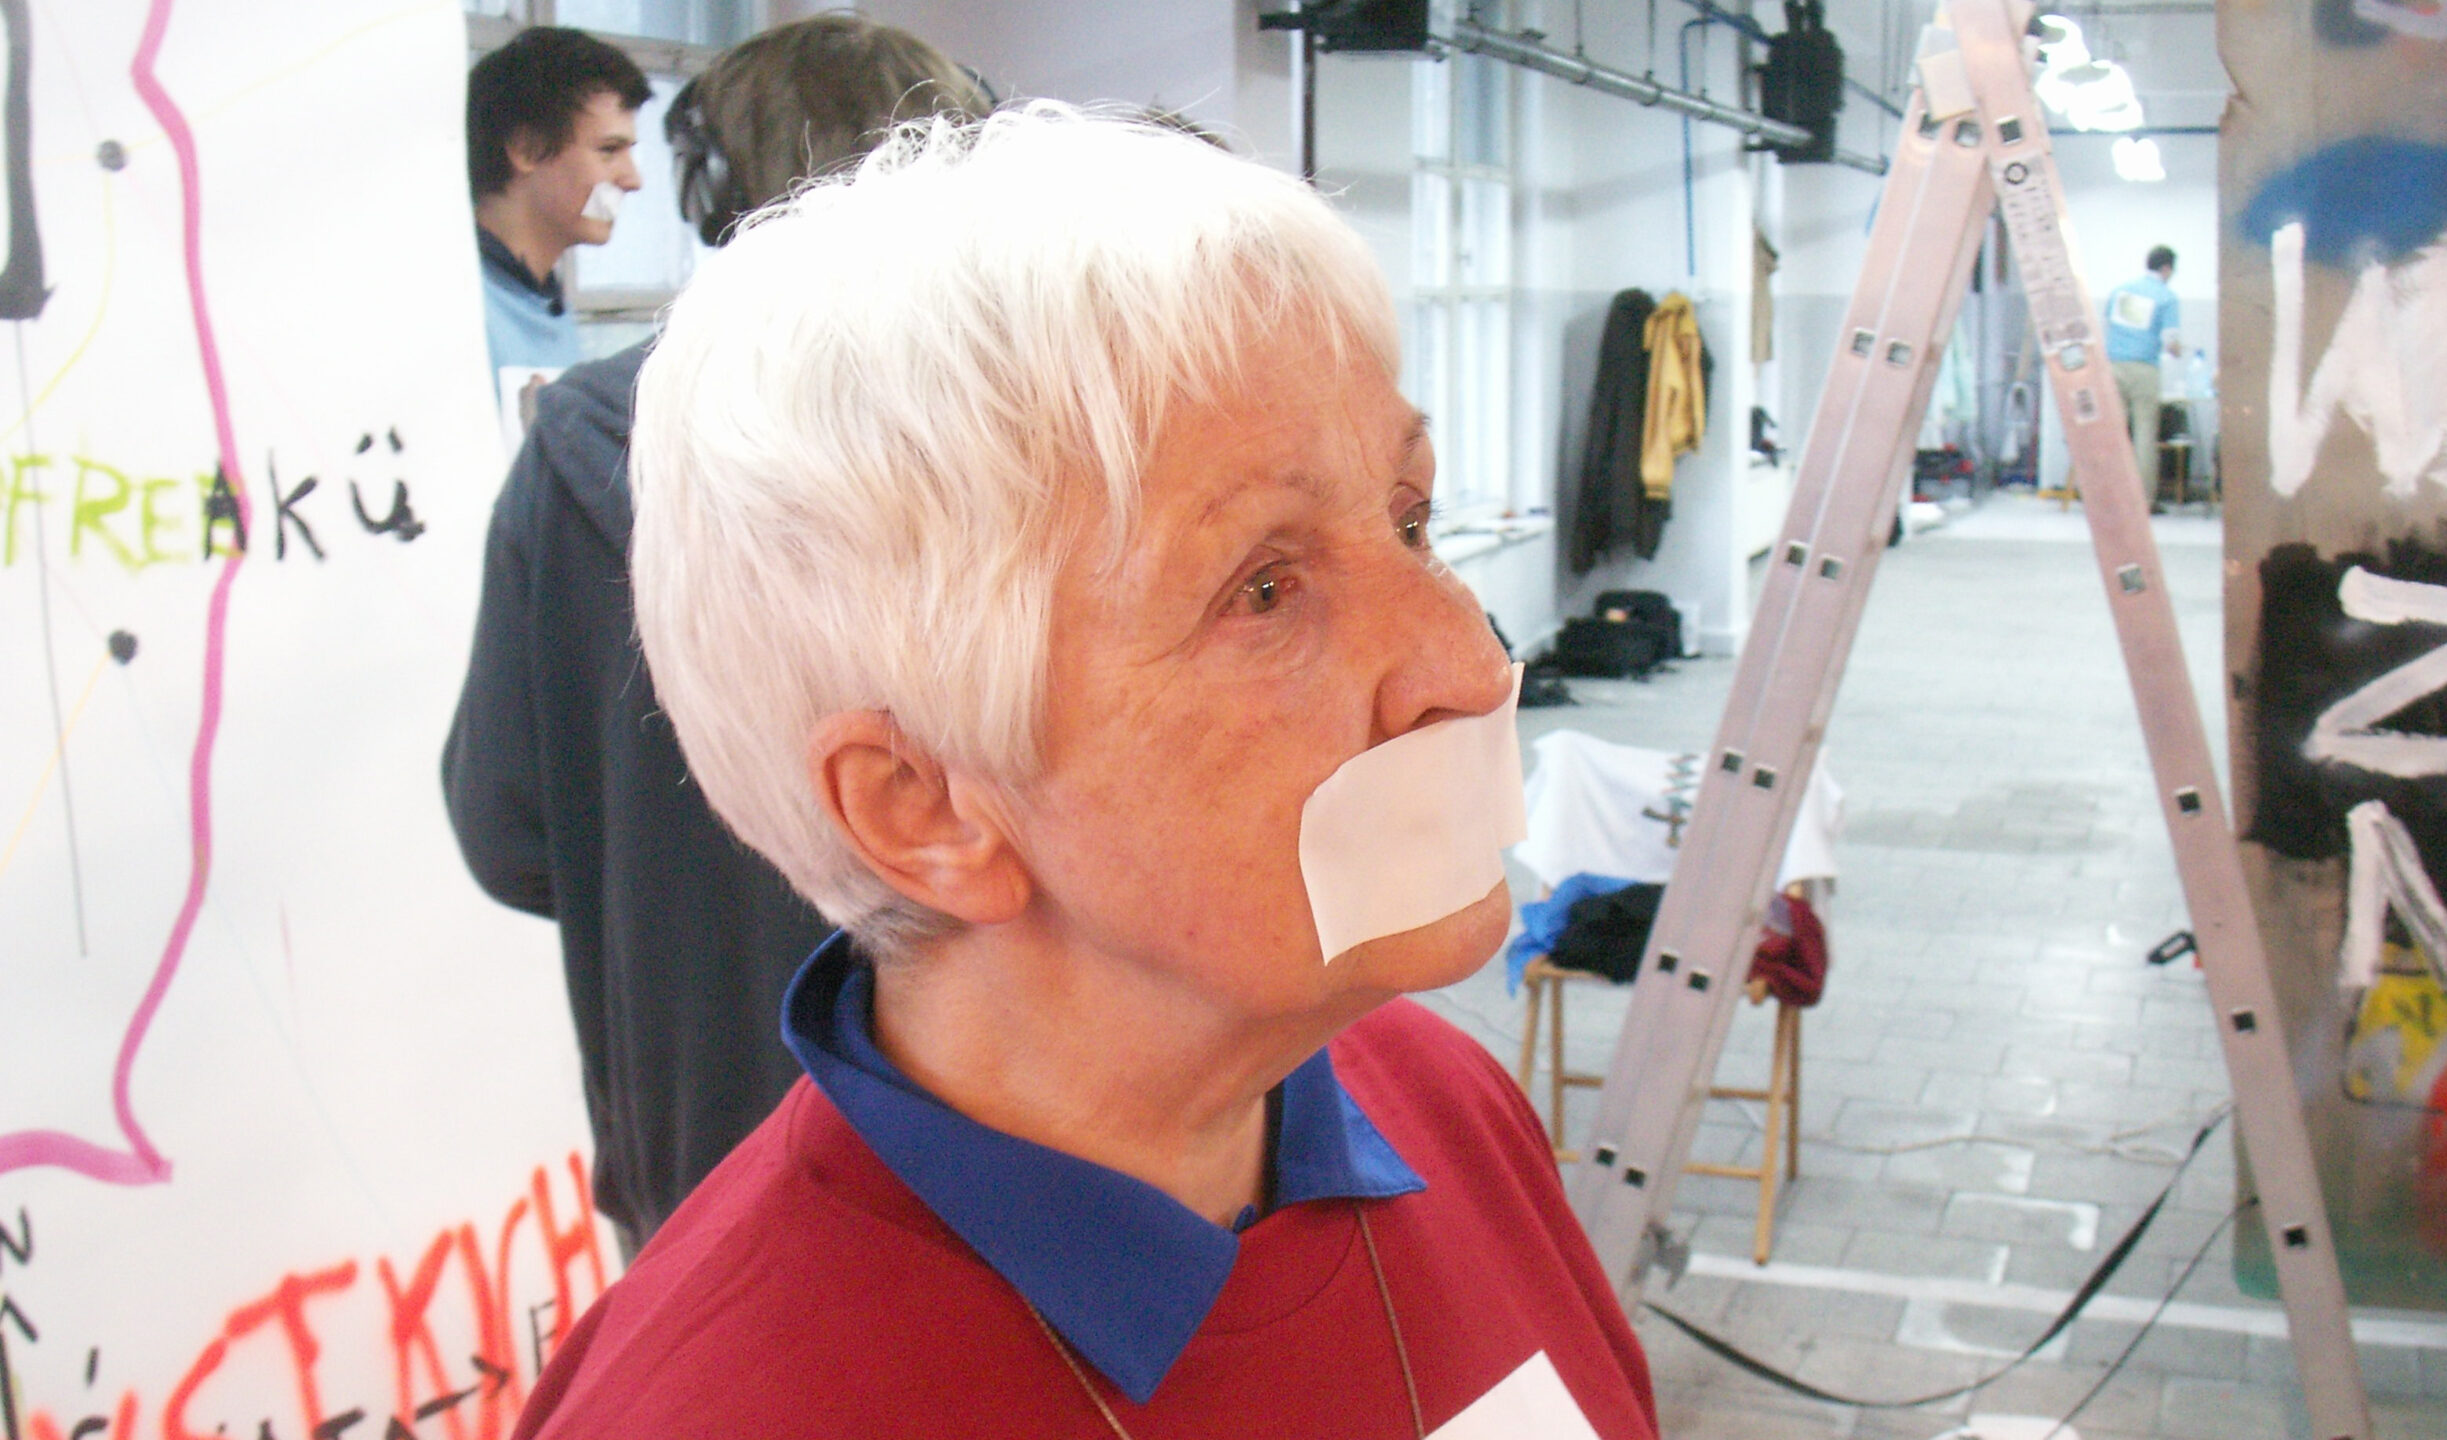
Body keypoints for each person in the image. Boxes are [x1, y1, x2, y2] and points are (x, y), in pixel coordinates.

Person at [510, 108, 1658, 1437]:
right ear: (925, 809)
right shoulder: (712, 1407)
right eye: (1264, 589)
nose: (1470, 664)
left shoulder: (1440, 1107)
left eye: (1410, 520)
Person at [441, 16, 988, 1252]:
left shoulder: (582, 450)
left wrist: (671, 874)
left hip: (706, 1159)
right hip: (1018, 1156)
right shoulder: (1035, 438)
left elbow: (506, 832)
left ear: (718, 202)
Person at [465, 27, 650, 388]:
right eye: (609, 150)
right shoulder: (452, 311)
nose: (633, 180)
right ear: (527, 149)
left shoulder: (542, 301)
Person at [2103, 244, 2182, 511]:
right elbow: (2170, 342)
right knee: (2144, 435)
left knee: (2114, 433)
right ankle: (2143, 501)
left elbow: (2108, 325)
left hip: (2113, 367)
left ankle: (2109, 497)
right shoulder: (2166, 297)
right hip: (2144, 369)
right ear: (2166, 268)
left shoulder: (2121, 291)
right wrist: (2177, 350)